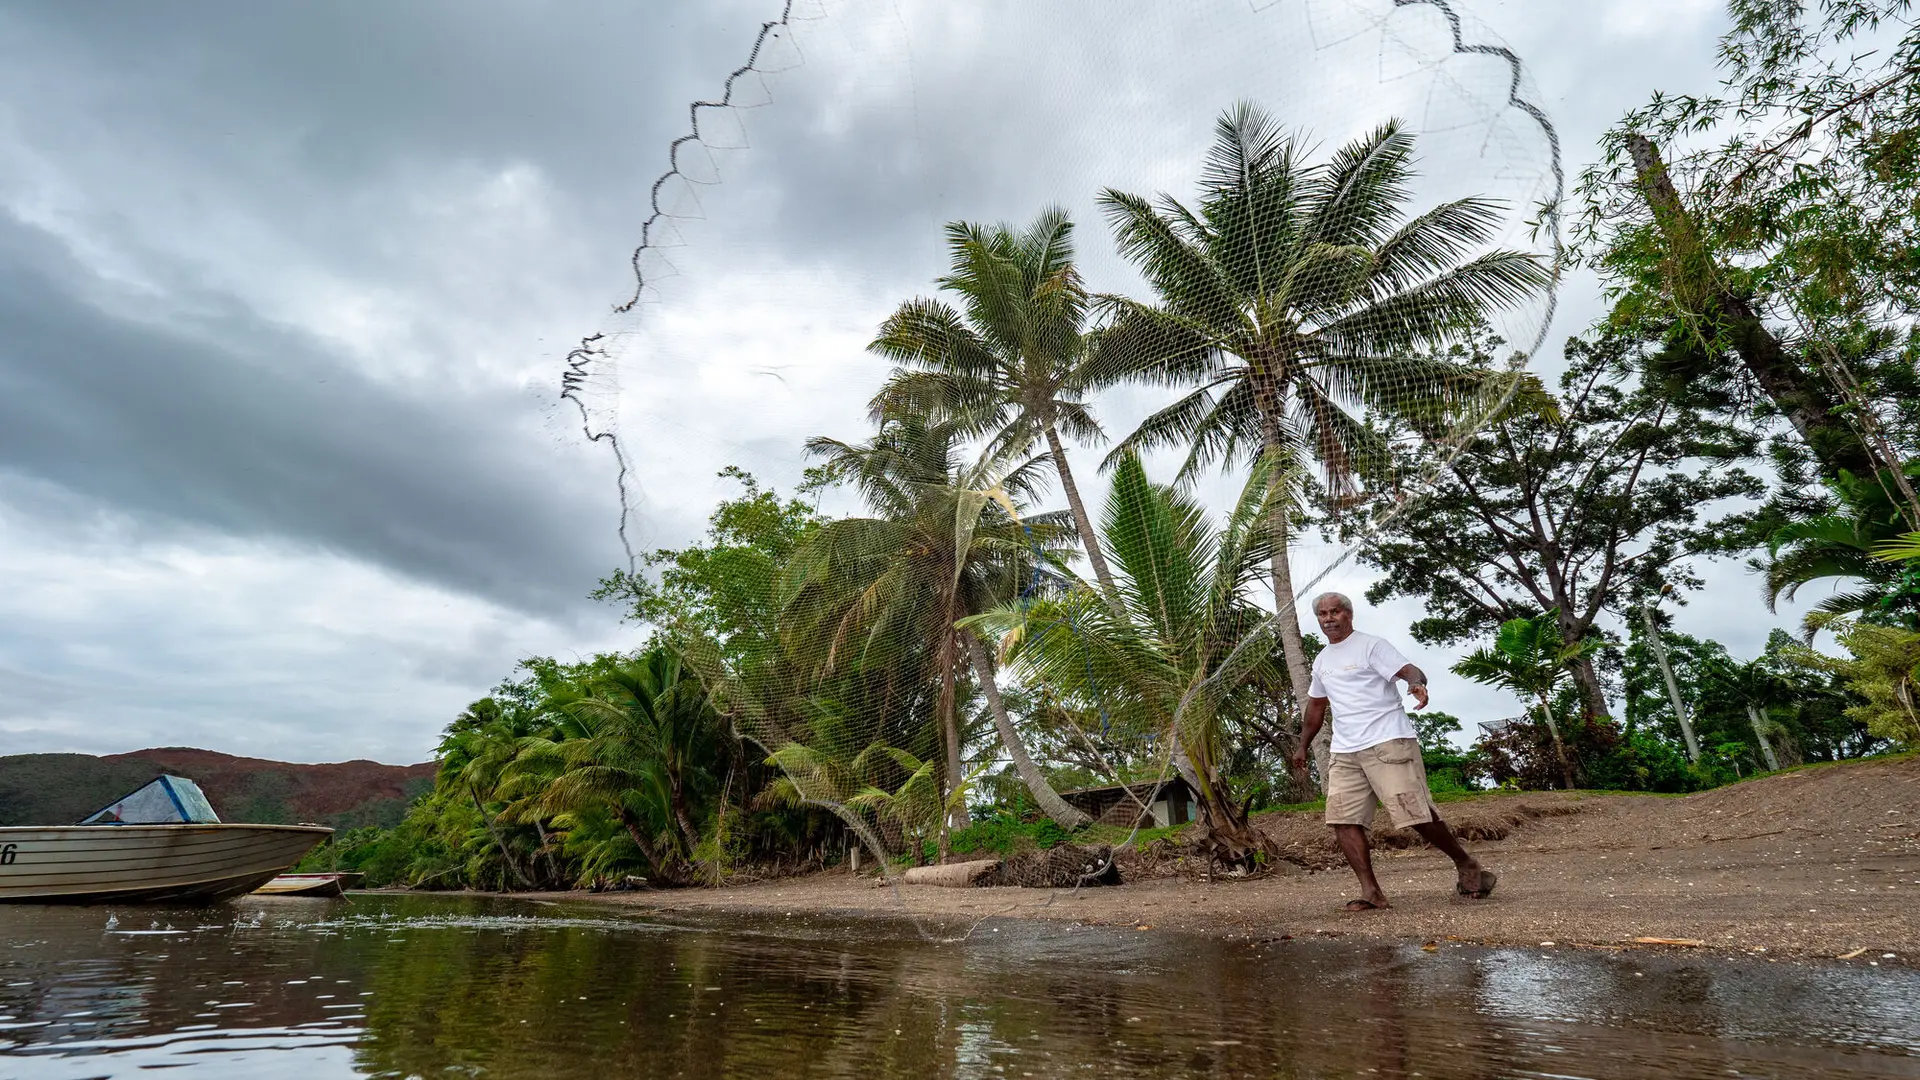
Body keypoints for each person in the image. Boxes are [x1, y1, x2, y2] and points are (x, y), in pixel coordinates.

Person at [1289, 592, 1495, 911]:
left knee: (1413, 813)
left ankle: (1466, 864)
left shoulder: (1371, 645)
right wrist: (1302, 745)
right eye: (1323, 614)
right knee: (1343, 820)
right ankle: (1372, 892)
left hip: (1388, 740)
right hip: (1345, 750)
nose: (1329, 618)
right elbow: (1316, 706)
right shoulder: (1321, 661)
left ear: (1349, 614)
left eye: (1335, 612)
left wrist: (1416, 684)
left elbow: (1410, 670)